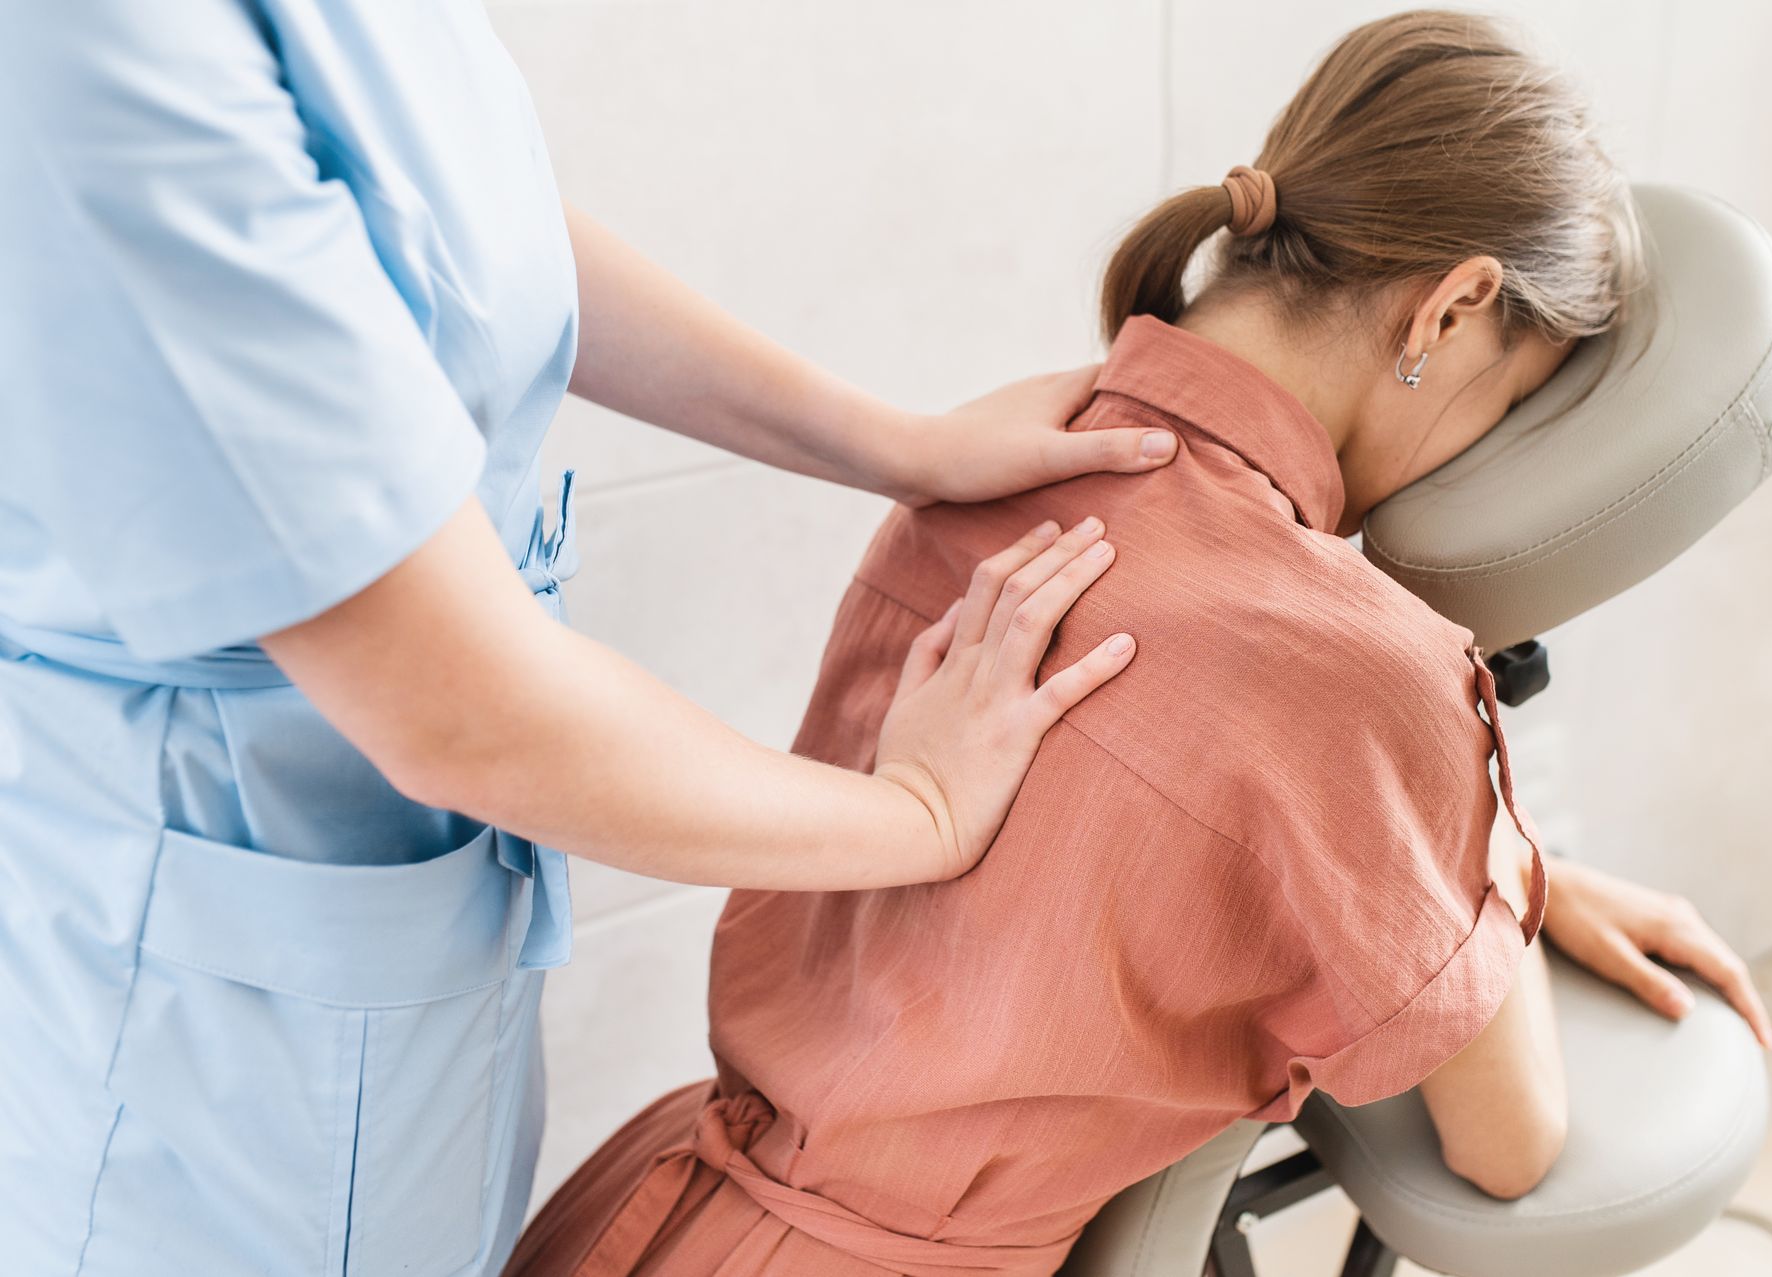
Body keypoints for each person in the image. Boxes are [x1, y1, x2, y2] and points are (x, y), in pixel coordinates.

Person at [510, 13, 1772, 1277]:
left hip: (639, 1213)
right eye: (1509, 397)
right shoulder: (1365, 673)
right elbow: (1512, 1141)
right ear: (1452, 310)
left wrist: (1475, 849)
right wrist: (1479, 816)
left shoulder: (1002, 457)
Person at [0, 4, 1181, 1274]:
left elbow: (458, 235)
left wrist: (899, 445)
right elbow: (459, 709)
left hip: (395, 916)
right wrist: (921, 813)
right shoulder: (89, 48)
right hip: (208, 984)